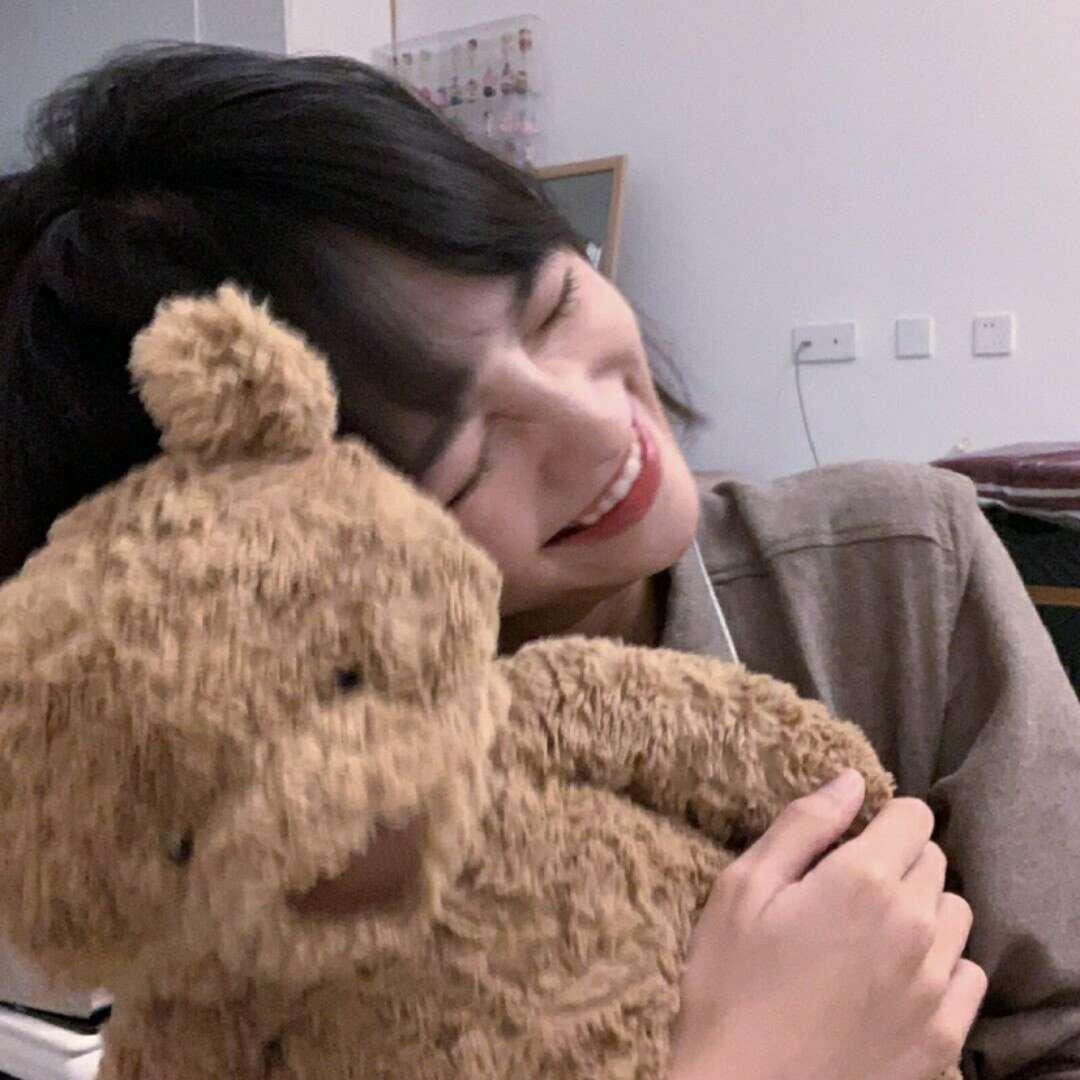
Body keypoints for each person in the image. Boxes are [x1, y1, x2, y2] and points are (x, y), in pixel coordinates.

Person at [3, 43, 1077, 1079]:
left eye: (552, 303)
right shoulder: (261, 838)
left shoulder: (895, 569)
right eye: (464, 459)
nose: (600, 429)